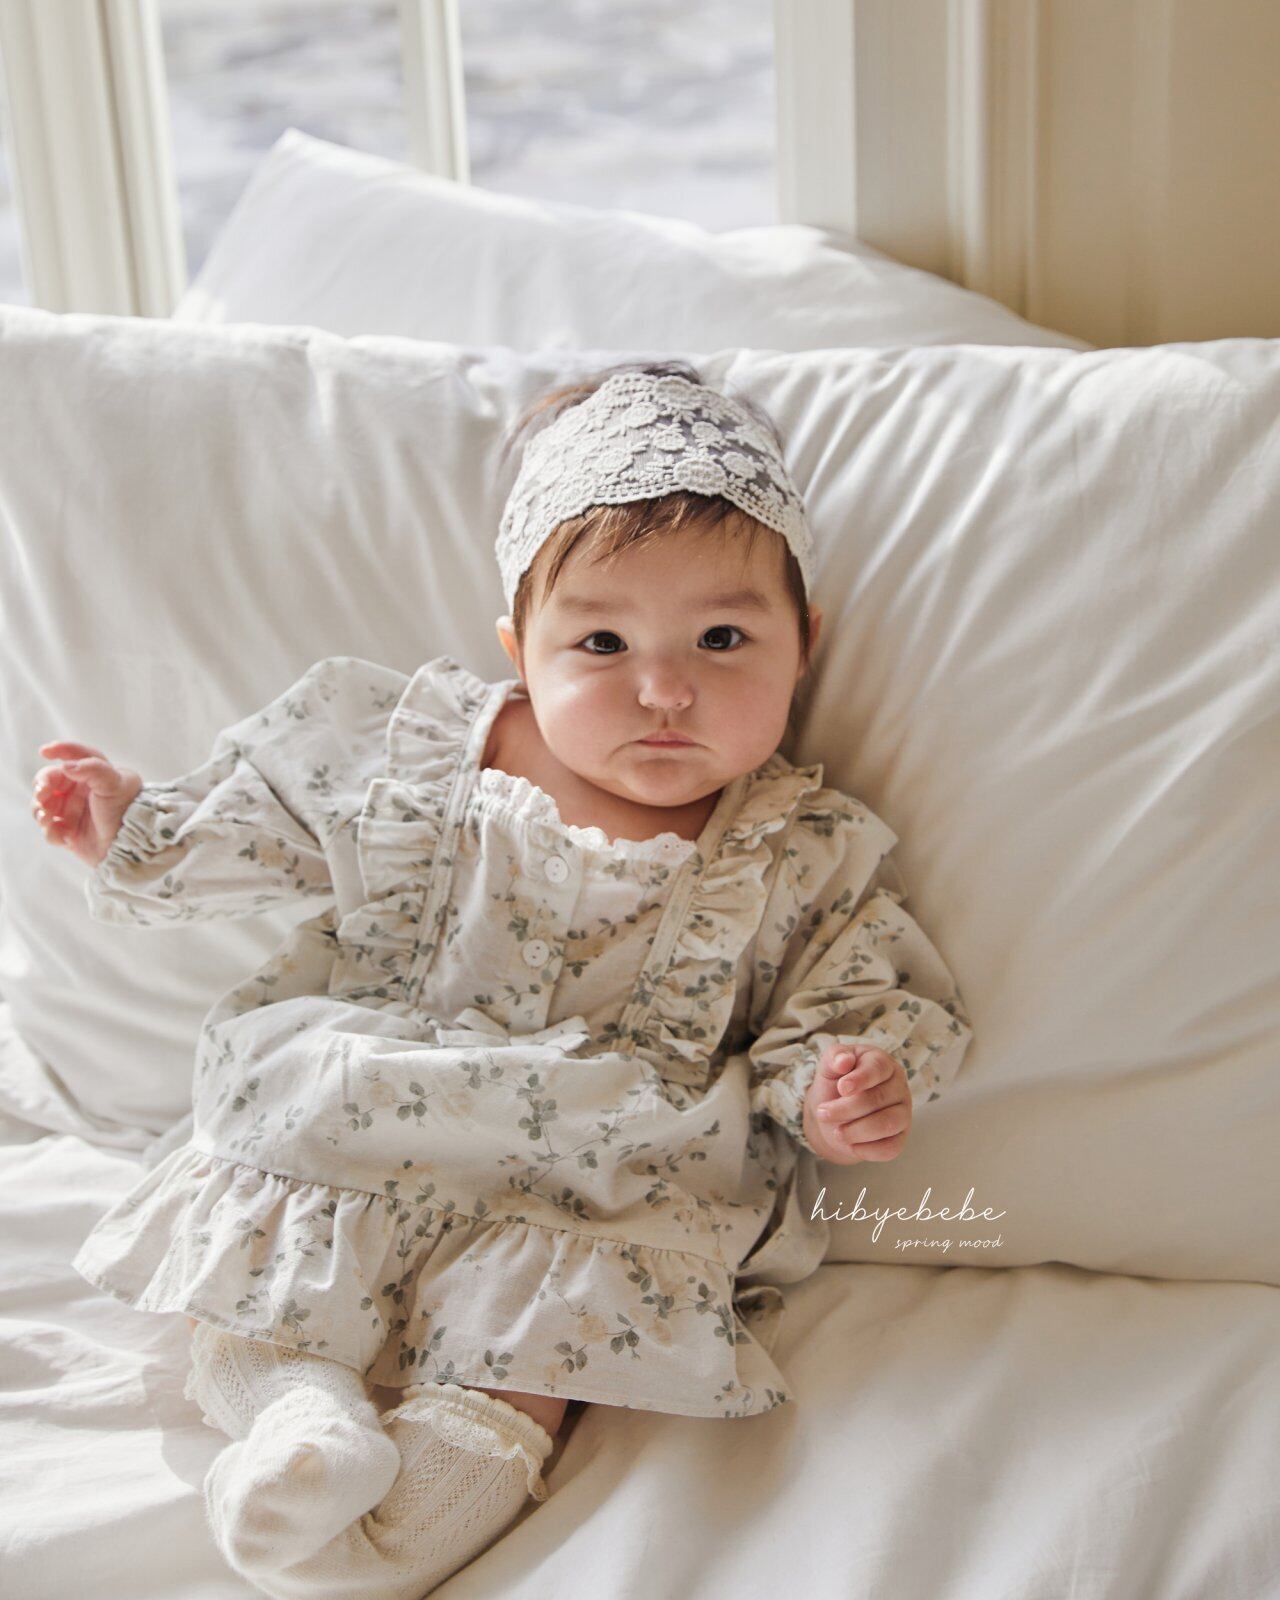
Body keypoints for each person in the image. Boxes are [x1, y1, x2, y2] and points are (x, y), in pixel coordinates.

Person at [31, 360, 974, 1599]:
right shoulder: (424, 752)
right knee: (261, 1266)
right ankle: (295, 1420)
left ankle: (379, 1544)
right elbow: (271, 820)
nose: (663, 688)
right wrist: (138, 826)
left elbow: (848, 993)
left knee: (542, 1345)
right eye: (601, 641)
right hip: (368, 1094)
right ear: (519, 652)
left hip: (586, 1165)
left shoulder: (797, 847)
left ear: (806, 646)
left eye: (722, 638)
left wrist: (839, 1087)